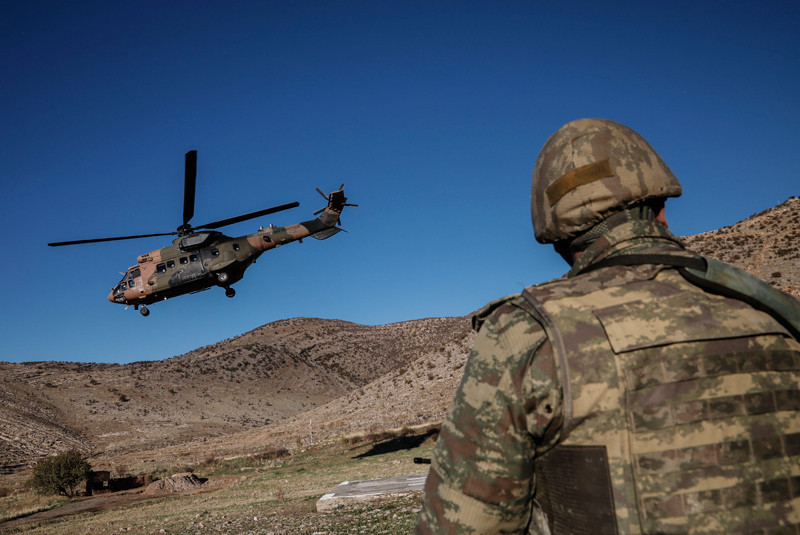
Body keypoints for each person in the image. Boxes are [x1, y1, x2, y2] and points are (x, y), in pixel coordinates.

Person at [416, 118, 800, 534]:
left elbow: (460, 525)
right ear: (662, 208)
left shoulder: (525, 334)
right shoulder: (775, 312)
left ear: (557, 237)